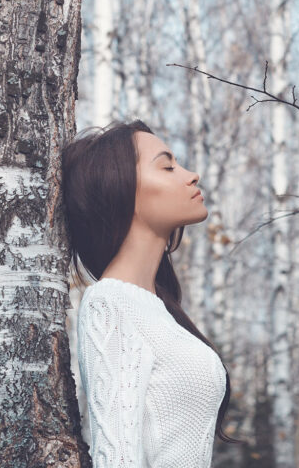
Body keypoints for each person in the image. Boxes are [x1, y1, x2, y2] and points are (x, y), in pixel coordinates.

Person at [61, 120, 243, 467]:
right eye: (167, 167)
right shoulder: (108, 304)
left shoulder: (157, 309)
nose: (192, 176)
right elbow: (116, 458)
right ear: (120, 190)